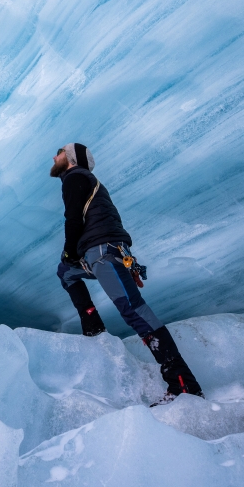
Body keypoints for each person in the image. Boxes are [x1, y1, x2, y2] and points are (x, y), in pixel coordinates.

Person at [52, 142, 203, 404]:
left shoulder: (76, 177)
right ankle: (94, 330)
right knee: (66, 272)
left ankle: (184, 385)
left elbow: (74, 219)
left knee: (134, 310)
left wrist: (69, 251)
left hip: (103, 252)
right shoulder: (84, 181)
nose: (55, 156)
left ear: (72, 159)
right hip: (100, 252)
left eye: (60, 151)